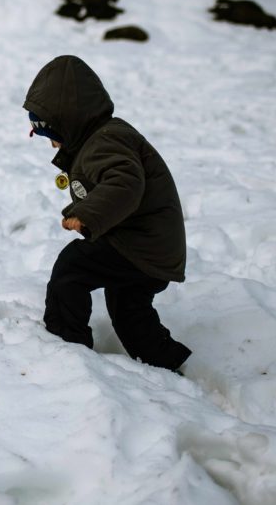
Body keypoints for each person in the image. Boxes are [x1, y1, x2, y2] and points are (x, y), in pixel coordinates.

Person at [24, 55, 191, 372]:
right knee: (128, 308)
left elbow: (125, 184)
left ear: (68, 120)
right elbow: (107, 186)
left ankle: (65, 345)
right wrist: (84, 209)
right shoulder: (100, 138)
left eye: (51, 135)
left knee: (72, 267)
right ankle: (165, 364)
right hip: (154, 247)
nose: (52, 145)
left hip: (141, 244)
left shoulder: (105, 141)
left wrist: (87, 214)